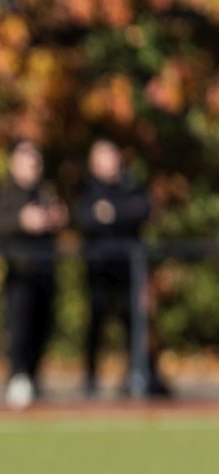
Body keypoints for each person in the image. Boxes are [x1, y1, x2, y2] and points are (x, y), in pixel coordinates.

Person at [76, 138, 168, 397]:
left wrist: (112, 212)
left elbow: (143, 210)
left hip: (130, 271)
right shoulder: (87, 190)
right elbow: (87, 219)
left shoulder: (131, 185)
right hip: (100, 271)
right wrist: (119, 213)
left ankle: (138, 375)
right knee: (97, 324)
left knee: (135, 325)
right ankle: (90, 378)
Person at [0, 140, 68, 409]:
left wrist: (57, 218)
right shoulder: (6, 193)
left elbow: (61, 218)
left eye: (36, 161)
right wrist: (22, 221)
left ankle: (33, 377)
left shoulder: (46, 191)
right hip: (19, 272)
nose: (34, 167)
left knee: (43, 327)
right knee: (18, 327)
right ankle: (18, 377)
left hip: (45, 270)